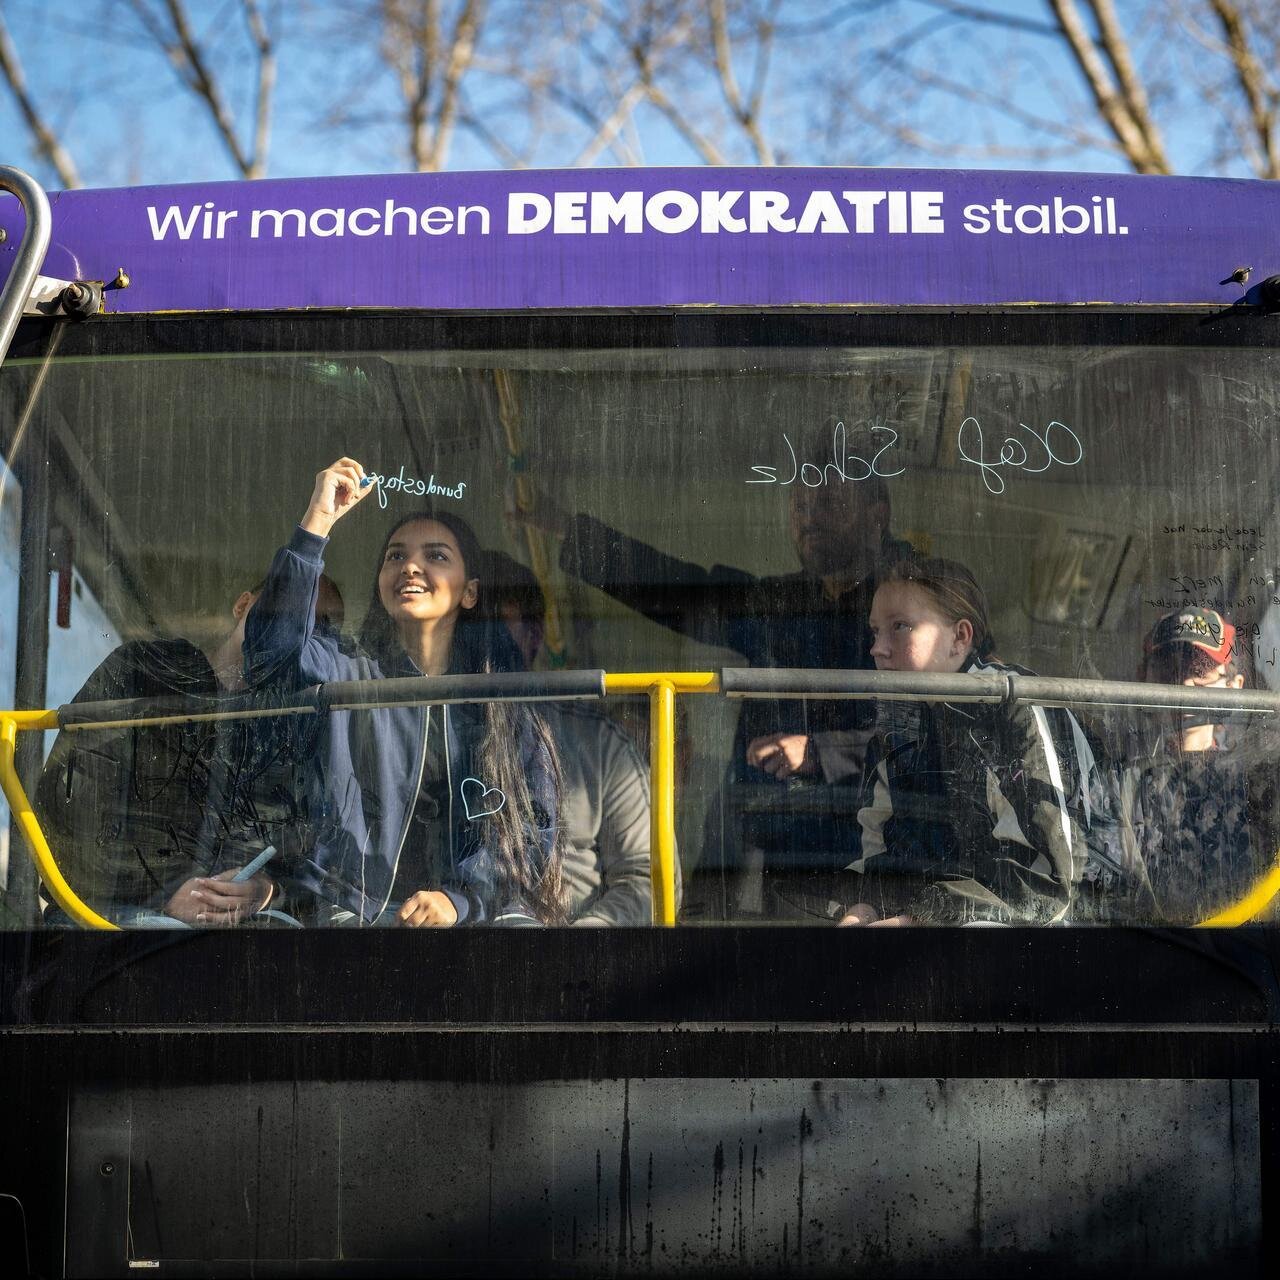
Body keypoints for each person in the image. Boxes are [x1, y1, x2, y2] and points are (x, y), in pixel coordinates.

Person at [518, 471, 912, 919]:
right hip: (755, 851)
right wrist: (575, 533)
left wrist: (823, 751)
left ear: (878, 514)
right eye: (799, 507)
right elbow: (684, 590)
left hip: (864, 864)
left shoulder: (915, 605)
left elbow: (933, 734)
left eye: (827, 503)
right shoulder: (782, 601)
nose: (809, 519)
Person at [243, 457, 567, 927]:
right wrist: (317, 522)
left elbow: (529, 830)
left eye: (435, 556)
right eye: (395, 556)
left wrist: (461, 901)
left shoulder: (502, 705)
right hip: (348, 919)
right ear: (380, 584)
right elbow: (269, 651)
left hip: (474, 926)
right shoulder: (344, 673)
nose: (410, 566)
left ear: (470, 592)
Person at [36, 574, 345, 927]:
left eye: (319, 626)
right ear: (242, 605)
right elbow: (68, 811)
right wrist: (163, 891)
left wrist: (269, 889)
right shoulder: (145, 671)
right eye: (285, 606)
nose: (298, 627)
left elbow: (315, 850)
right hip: (109, 915)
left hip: (243, 929)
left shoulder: (298, 727)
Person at [838, 556, 1090, 926]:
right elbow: (883, 847)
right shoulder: (898, 721)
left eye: (900, 627)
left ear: (960, 637)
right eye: (875, 631)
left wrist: (922, 920)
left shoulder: (1013, 706)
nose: (878, 648)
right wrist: (865, 907)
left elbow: (1051, 884)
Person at [488, 550, 679, 925]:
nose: (489, 644)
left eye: (500, 627)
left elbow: (648, 878)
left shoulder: (597, 743)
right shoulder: (424, 733)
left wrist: (579, 947)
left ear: (534, 637)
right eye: (476, 627)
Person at [1084, 608, 1270, 924]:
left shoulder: (1257, 783)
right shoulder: (1113, 785)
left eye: (1200, 669)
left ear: (1234, 686)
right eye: (1168, 668)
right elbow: (1102, 889)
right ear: (1144, 678)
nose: (1183, 684)